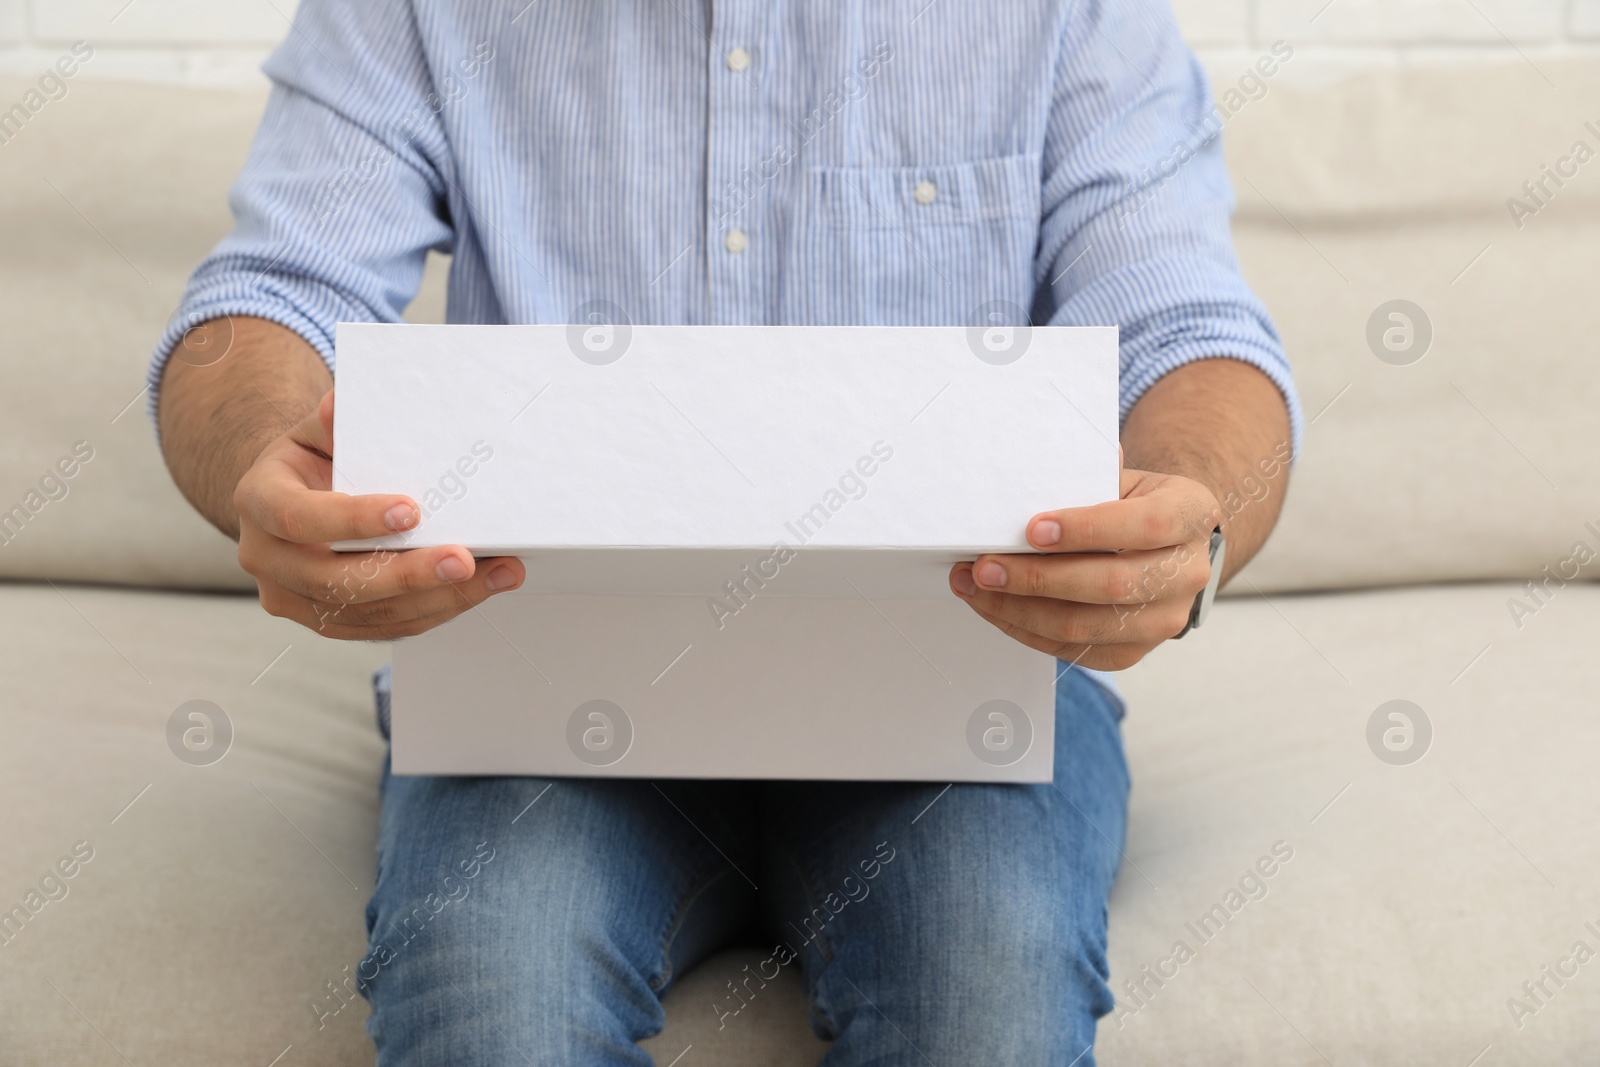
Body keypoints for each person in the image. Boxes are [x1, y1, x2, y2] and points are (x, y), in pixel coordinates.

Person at [151, 1, 1299, 1062]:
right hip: (543, 691)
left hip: (959, 696)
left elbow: (1189, 335)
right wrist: (263, 460)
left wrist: (1187, 516)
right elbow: (273, 293)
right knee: (489, 982)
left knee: (983, 985)